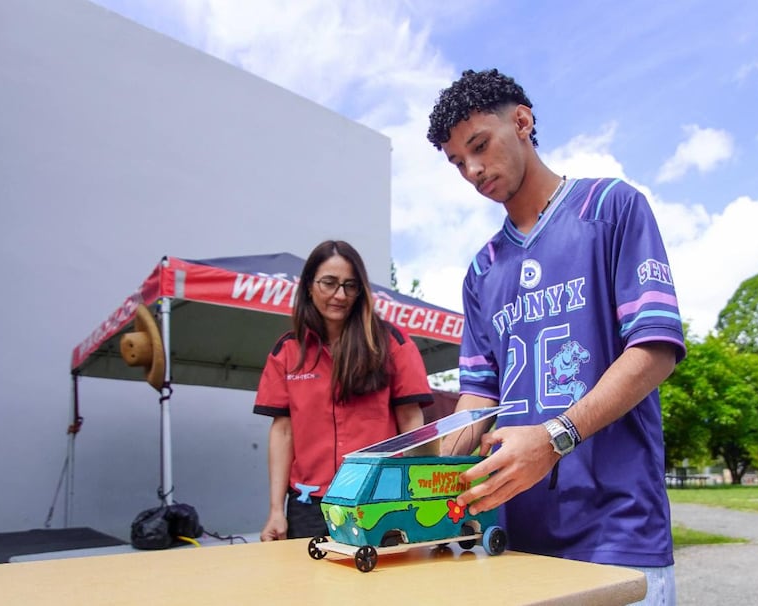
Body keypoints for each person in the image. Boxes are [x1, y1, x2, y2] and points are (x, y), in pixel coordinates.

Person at [427, 69, 685, 605]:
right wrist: (429, 464)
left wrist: (554, 438)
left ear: (522, 121)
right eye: (458, 163)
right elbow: (479, 396)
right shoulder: (481, 270)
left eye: (479, 146)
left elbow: (655, 349)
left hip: (619, 532)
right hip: (518, 539)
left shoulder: (611, 208)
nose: (473, 170)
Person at [254, 240, 434, 540]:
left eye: (351, 286)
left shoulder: (391, 343)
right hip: (309, 505)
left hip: (380, 500)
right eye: (329, 283)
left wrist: (420, 497)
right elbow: (282, 431)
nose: (340, 295)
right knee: (310, 586)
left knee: (385, 585)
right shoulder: (287, 351)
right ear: (309, 286)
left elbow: (412, 423)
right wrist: (275, 509)